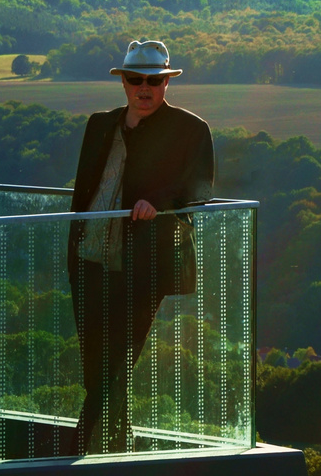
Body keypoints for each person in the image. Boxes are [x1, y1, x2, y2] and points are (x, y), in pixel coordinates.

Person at [68, 40, 214, 454]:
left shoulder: (190, 129)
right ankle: (115, 444)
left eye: (154, 81)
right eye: (136, 80)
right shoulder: (100, 124)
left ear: (167, 82)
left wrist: (160, 202)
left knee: (117, 360)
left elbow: (200, 186)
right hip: (88, 257)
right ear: (124, 82)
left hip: (143, 263)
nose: (144, 88)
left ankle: (73, 449)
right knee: (96, 362)